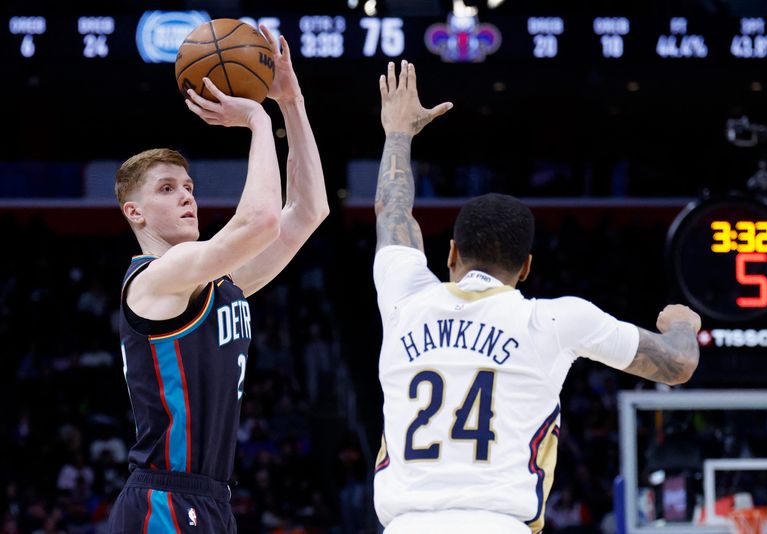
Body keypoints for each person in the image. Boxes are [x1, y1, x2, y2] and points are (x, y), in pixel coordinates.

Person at [371, 60, 700, 534]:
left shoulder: (404, 299)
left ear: (450, 254)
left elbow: (392, 208)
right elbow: (678, 365)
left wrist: (397, 132)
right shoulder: (554, 320)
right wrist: (682, 323)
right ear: (526, 268)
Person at [106, 26, 328, 534]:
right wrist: (255, 117)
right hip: (161, 500)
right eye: (166, 189)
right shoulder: (155, 280)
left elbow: (308, 211)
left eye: (188, 186)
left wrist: (291, 102)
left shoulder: (215, 282)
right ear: (134, 211)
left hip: (212, 500)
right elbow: (262, 222)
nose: (186, 196)